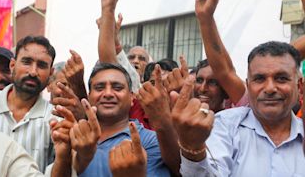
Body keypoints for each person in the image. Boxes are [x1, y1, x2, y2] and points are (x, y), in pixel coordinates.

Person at [173, 40, 305, 176]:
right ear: (248, 85)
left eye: (281, 78)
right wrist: (193, 150)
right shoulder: (224, 125)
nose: (270, 88)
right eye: (259, 79)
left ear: (299, 87)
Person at [60, 62, 170, 176]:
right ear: (89, 97)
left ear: (132, 98)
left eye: (117, 88)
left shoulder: (151, 141)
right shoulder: (74, 136)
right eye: (99, 88)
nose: (108, 94)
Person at [0, 36, 59, 173]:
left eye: (42, 65)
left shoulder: (55, 119)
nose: (33, 72)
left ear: (50, 73)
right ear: (13, 65)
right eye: (27, 62)